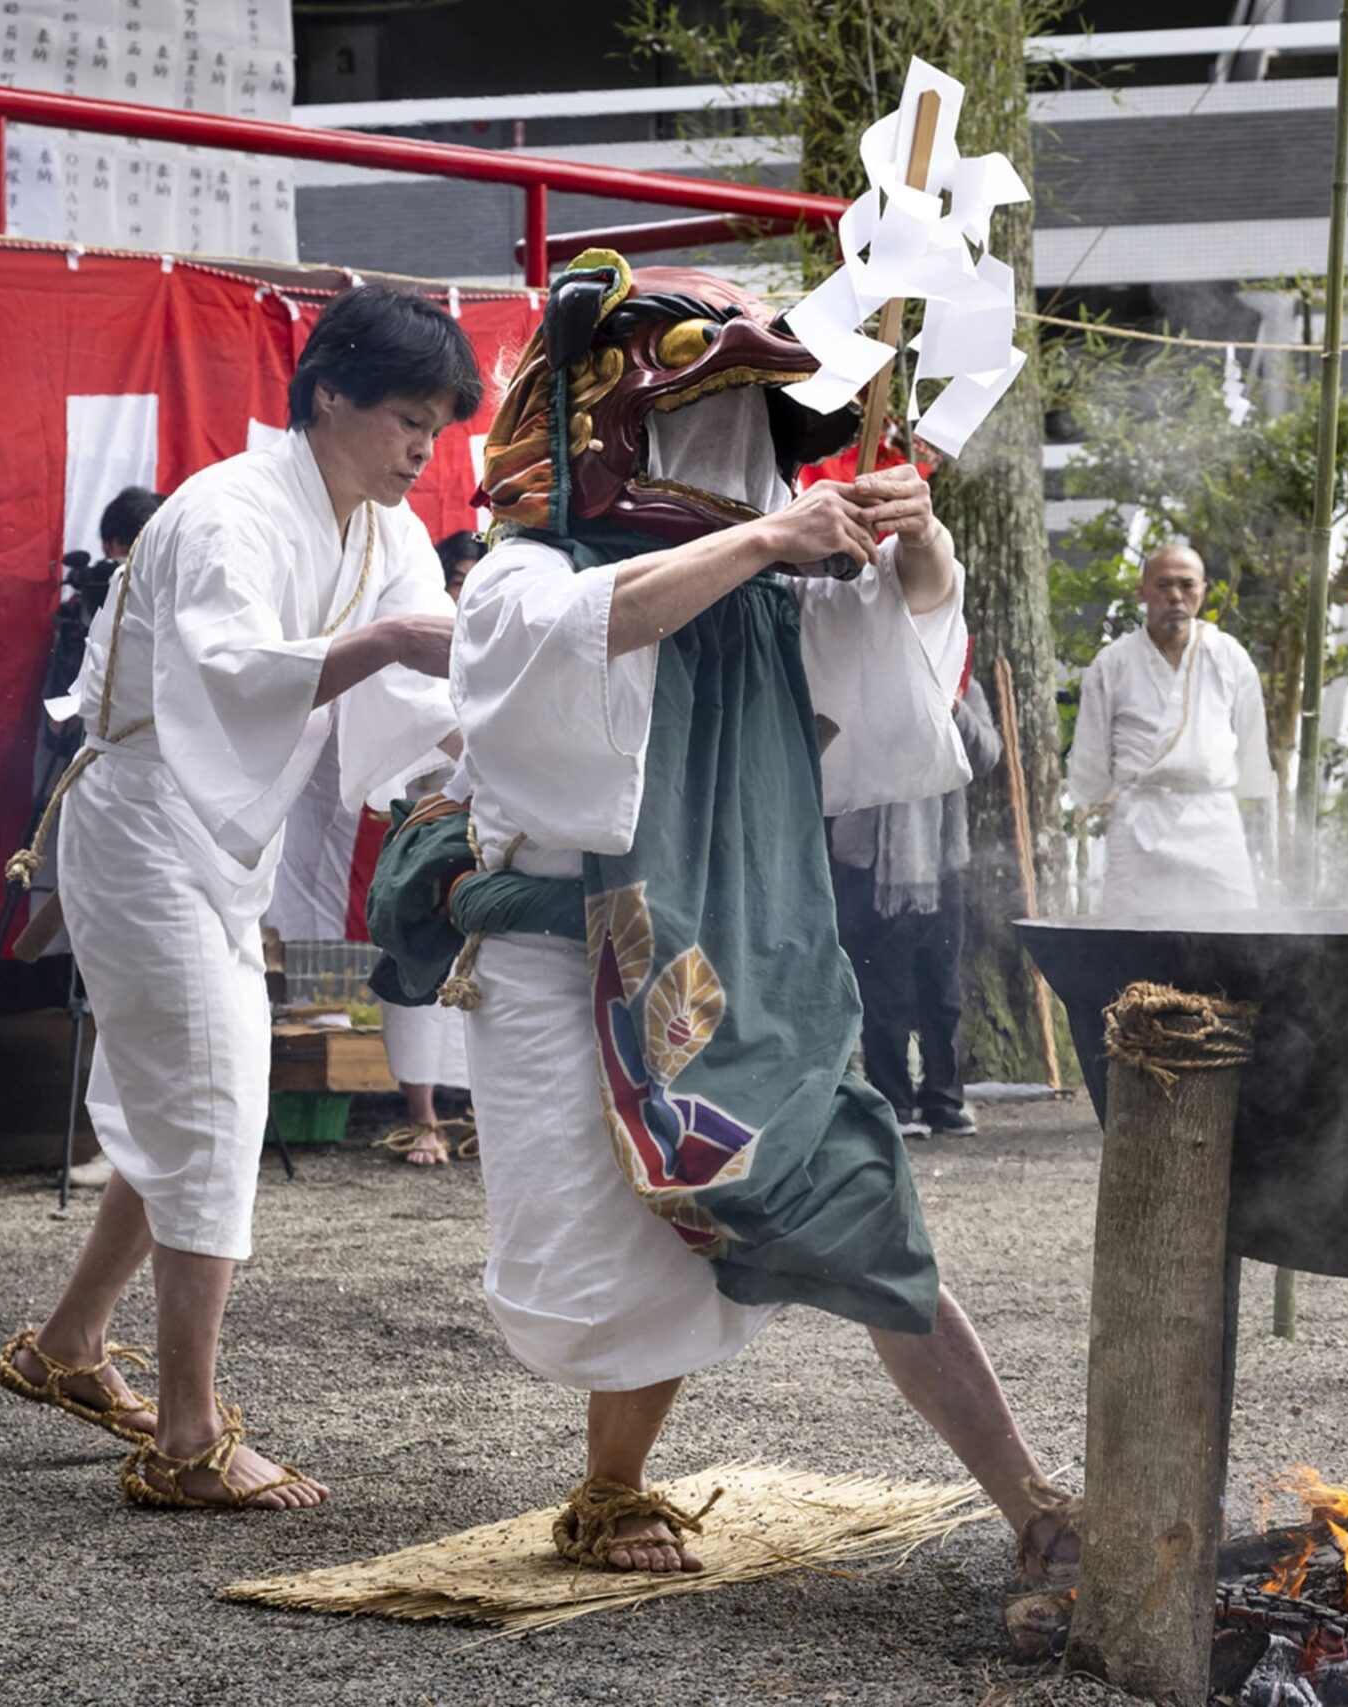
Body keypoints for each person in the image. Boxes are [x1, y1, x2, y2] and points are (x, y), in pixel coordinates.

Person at [418, 253, 1077, 1587]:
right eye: (704, 421)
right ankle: (611, 1486)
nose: (735, 456)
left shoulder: (774, 587)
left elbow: (897, 682)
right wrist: (767, 539)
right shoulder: (523, 574)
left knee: (858, 1198)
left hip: (750, 952)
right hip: (567, 961)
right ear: (611, 424)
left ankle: (1037, 1507)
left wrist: (921, 538)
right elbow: (570, 641)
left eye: (753, 432)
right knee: (628, 1246)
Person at [0, 284, 483, 1509]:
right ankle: (188, 1438)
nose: (422, 449)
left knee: (186, 1094)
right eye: (403, 419)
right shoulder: (225, 512)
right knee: (213, 1094)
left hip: (221, 831)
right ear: (327, 397)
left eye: (437, 425)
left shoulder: (381, 527)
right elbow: (226, 677)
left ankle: (64, 1345)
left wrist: (492, 750)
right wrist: (378, 649)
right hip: (145, 816)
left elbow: (427, 697)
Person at [831, 673, 1002, 1138]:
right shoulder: (857, 675)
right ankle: (892, 1103)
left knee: (942, 988)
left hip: (941, 859)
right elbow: (828, 753)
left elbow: (987, 755)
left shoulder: (961, 681)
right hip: (868, 860)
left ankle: (944, 1100)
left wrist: (954, 710)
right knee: (881, 987)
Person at [1068, 544, 1275, 913]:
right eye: (1163, 585)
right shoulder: (1113, 663)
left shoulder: (1228, 657)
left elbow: (1252, 738)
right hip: (1140, 822)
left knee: (1237, 931)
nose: (1176, 596)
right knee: (1128, 939)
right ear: (1142, 591)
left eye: (1187, 585)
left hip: (1213, 817)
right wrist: (1091, 793)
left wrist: (1255, 795)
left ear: (1204, 591)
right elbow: (1091, 747)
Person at [373, 530, 483, 1168]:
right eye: (458, 578)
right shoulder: (422, 627)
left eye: (477, 578)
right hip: (432, 814)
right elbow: (416, 719)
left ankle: (481, 1116)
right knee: (415, 954)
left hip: (496, 819)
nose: (467, 589)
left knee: (490, 965)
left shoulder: (504, 629)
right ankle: (422, 1119)